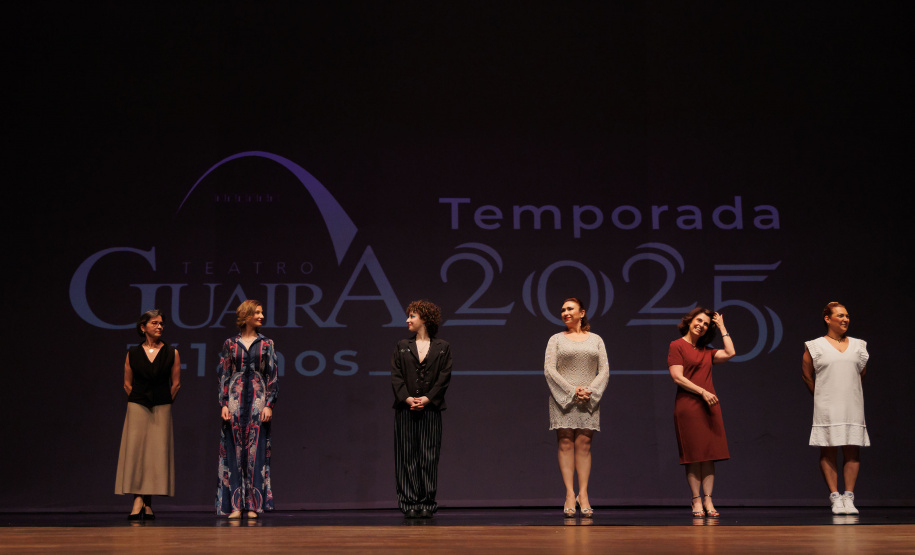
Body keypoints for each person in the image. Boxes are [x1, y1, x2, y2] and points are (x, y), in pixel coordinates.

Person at [544, 297, 610, 518]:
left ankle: (584, 494)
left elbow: (604, 371)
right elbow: (550, 370)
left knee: (584, 444)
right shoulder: (556, 339)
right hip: (563, 399)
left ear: (582, 313)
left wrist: (589, 391)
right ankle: (570, 494)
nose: (565, 312)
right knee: (565, 443)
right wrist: (572, 390)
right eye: (562, 309)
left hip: (588, 399)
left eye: (570, 308)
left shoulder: (596, 339)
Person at [802, 302, 869, 515]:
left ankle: (849, 497)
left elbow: (861, 373)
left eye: (847, 316)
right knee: (828, 448)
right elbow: (807, 375)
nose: (845, 319)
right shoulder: (815, 346)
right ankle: (835, 497)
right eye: (840, 315)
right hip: (827, 405)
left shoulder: (859, 345)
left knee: (852, 448)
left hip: (852, 404)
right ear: (827, 319)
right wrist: (822, 396)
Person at [667, 307, 735, 518]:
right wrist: (702, 391)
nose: (701, 325)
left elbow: (730, 353)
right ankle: (696, 499)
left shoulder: (707, 351)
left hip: (710, 406)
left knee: (709, 456)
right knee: (694, 456)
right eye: (699, 321)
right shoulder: (677, 346)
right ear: (689, 321)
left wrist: (722, 327)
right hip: (689, 406)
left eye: (706, 324)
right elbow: (677, 377)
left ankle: (709, 499)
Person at [115, 309, 181, 520]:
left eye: (161, 323)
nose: (160, 326)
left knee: (156, 453)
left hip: (162, 406)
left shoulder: (172, 352)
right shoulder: (133, 353)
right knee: (136, 452)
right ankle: (138, 500)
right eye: (155, 323)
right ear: (143, 327)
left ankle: (148, 501)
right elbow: (127, 383)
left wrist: (165, 400)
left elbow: (176, 383)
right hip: (137, 406)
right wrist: (138, 398)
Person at [216, 300, 278, 519]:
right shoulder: (230, 344)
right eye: (257, 312)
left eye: (262, 312)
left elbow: (272, 375)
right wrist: (224, 402)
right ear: (247, 315)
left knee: (255, 449)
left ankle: (252, 504)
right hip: (234, 398)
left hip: (258, 398)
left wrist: (269, 404)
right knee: (233, 449)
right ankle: (234, 504)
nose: (261, 316)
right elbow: (224, 374)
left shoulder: (267, 344)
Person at [390, 300, 453, 519]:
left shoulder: (442, 347)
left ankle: (427, 501)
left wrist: (426, 398)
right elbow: (396, 376)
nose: (408, 320)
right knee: (406, 456)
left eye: (412, 316)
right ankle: (409, 502)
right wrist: (407, 398)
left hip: (431, 409)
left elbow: (443, 378)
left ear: (424, 319)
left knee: (428, 455)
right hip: (405, 409)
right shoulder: (401, 346)